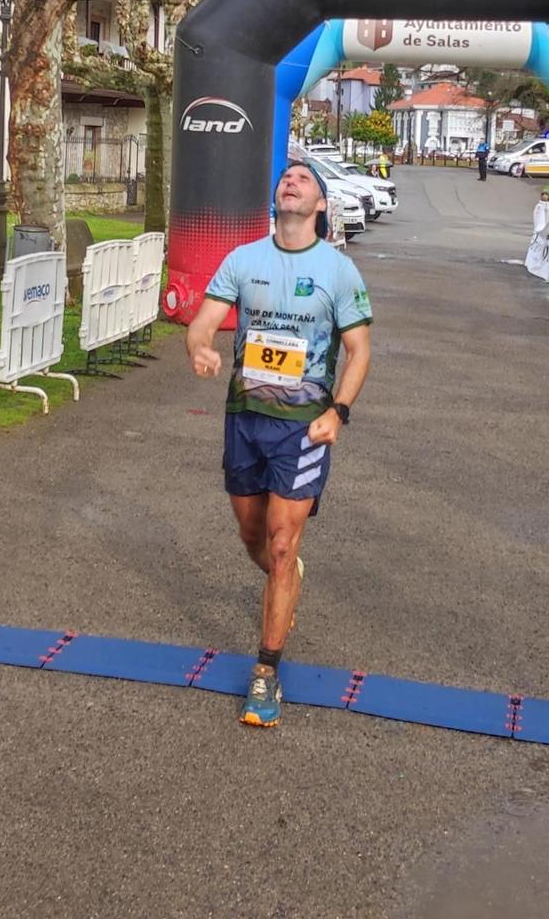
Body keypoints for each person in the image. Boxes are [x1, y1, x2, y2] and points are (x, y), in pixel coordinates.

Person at [186, 163, 372, 729]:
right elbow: (203, 323)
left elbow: (359, 352)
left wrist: (338, 412)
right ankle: (284, 581)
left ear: (320, 205)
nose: (290, 182)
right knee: (252, 537)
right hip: (245, 418)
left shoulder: (338, 271)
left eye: (303, 180)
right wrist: (199, 348)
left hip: (303, 427)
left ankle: (266, 671)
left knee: (283, 543)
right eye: (285, 176)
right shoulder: (244, 260)